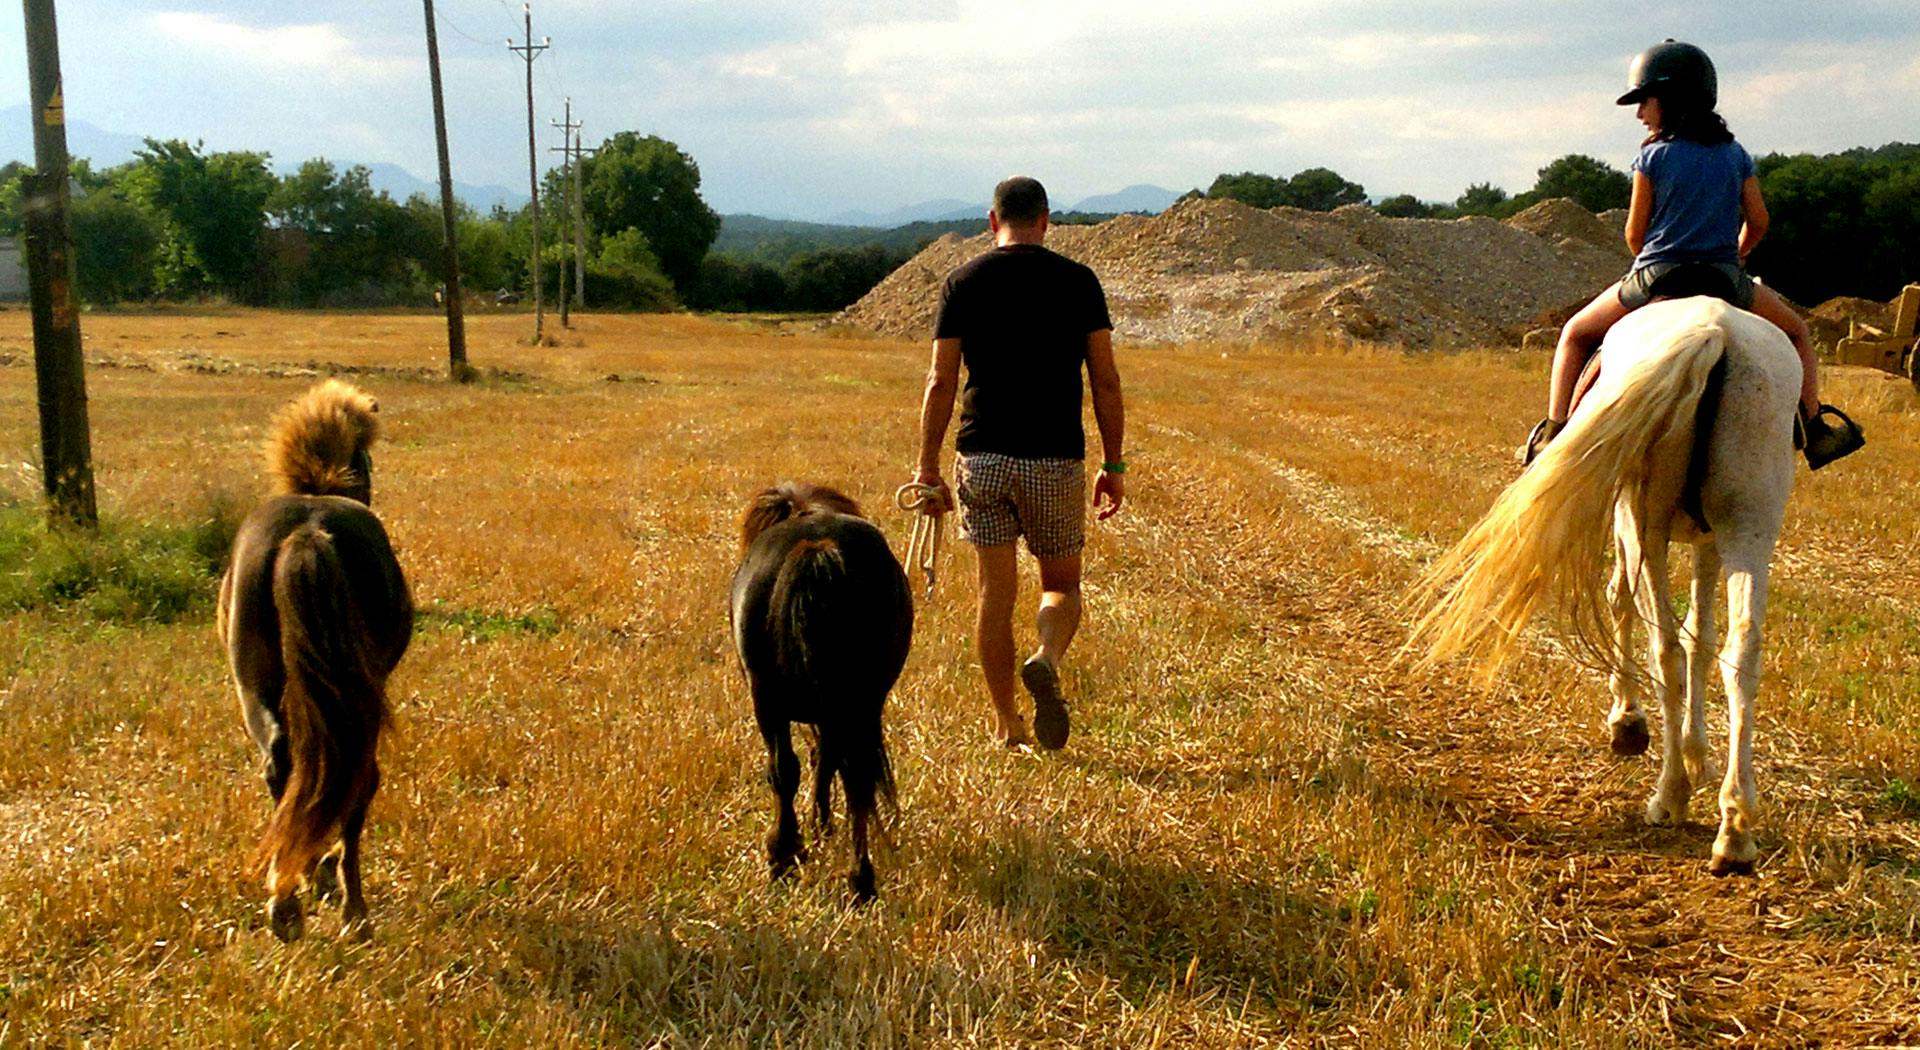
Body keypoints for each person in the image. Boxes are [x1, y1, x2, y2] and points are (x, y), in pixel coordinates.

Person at [1523, 40, 1862, 470]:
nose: (1639, 113)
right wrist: (1736, 255)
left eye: (1644, 101)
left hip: (1658, 275)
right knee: (1797, 334)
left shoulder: (1651, 156)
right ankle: (1816, 432)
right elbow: (1758, 220)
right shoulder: (1735, 154)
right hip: (1723, 277)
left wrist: (1651, 256)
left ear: (1669, 100)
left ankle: (1553, 434)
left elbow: (1634, 234)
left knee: (1573, 334)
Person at [912, 175, 1126, 751]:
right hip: (1053, 458)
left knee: (994, 596)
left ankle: (1008, 726)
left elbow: (941, 380)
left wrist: (927, 467)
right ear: (1047, 221)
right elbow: (1104, 380)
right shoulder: (1079, 282)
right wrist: (1115, 462)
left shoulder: (962, 282)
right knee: (1061, 586)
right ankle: (1047, 655)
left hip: (981, 456)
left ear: (991, 221)